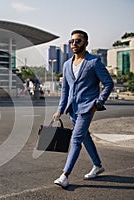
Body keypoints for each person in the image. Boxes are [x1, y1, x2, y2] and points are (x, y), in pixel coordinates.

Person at [52, 30, 114, 188]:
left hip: (88, 107)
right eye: (72, 41)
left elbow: (108, 83)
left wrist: (98, 103)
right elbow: (65, 90)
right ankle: (98, 166)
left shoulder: (94, 62)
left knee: (76, 139)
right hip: (72, 108)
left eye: (78, 41)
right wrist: (60, 110)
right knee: (85, 137)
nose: (74, 44)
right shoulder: (66, 65)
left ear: (86, 43)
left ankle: (65, 175)